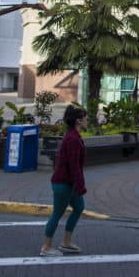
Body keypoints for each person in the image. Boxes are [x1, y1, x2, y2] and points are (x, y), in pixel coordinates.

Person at [41, 104, 88, 257]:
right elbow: (74, 166)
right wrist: (80, 186)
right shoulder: (73, 138)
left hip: (69, 182)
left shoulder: (73, 135)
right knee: (57, 213)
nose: (87, 121)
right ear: (79, 121)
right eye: (86, 119)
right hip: (63, 183)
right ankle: (46, 247)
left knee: (79, 206)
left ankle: (66, 242)